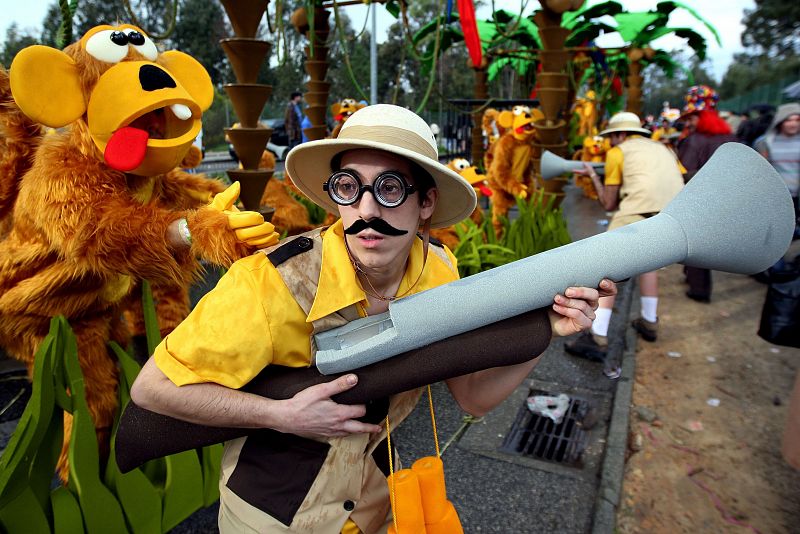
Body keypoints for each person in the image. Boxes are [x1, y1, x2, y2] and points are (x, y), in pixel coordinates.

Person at [130, 104, 617, 533]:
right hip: (274, 515)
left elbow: (472, 397)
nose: (365, 210)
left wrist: (545, 330)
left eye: (389, 188)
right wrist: (279, 415)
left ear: (426, 203)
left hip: (379, 499)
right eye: (349, 187)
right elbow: (152, 389)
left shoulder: (439, 272)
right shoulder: (267, 282)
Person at [565, 112, 684, 377]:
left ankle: (597, 337)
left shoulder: (618, 152)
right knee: (649, 265)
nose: (609, 143)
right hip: (670, 216)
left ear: (620, 134)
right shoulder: (663, 148)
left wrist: (592, 176)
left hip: (636, 213)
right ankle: (650, 321)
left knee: (608, 272)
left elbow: (608, 203)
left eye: (611, 137)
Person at [676, 85, 739, 303]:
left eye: (692, 118)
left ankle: (699, 289)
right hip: (725, 198)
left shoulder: (694, 140)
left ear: (700, 117)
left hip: (698, 201)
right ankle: (692, 278)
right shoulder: (731, 137)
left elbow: (683, 172)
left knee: (694, 245)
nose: (689, 123)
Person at [755, 102, 800, 217]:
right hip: (775, 197)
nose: (793, 124)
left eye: (797, 120)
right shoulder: (765, 143)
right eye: (788, 120)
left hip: (797, 198)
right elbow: (760, 171)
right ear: (780, 122)